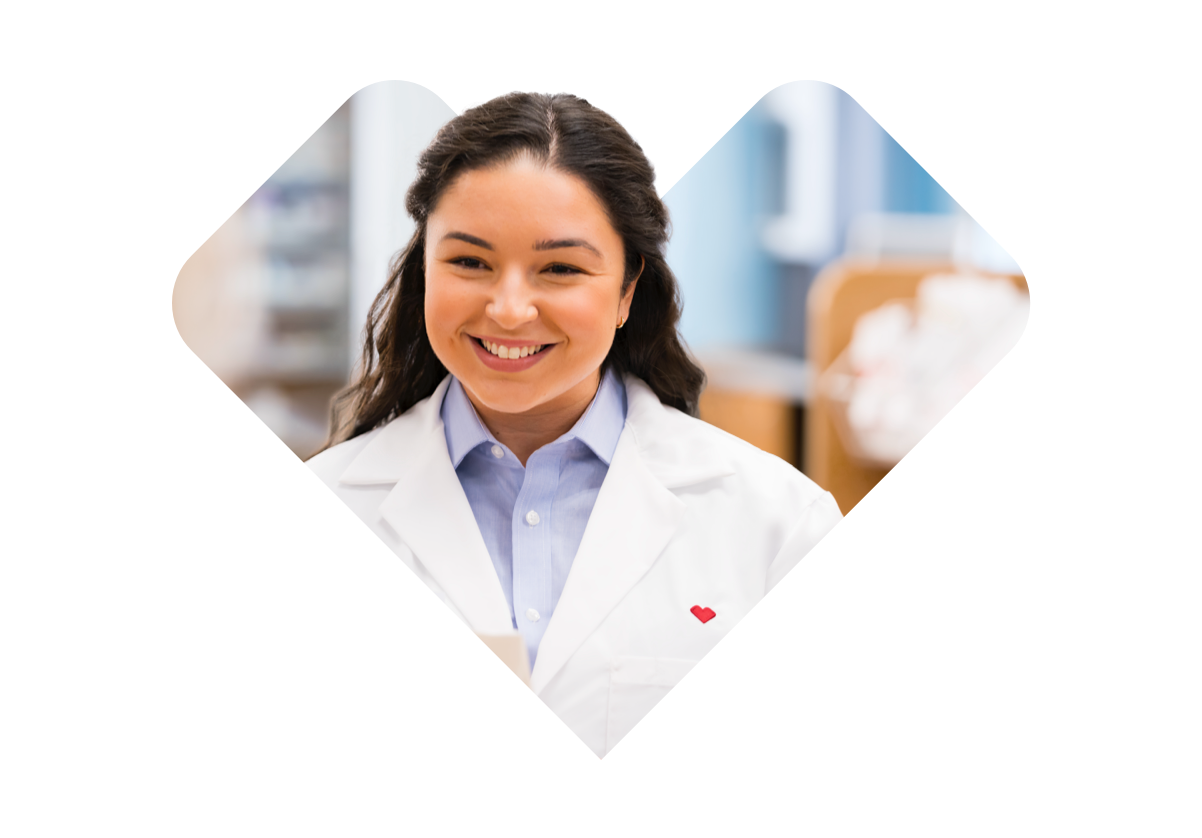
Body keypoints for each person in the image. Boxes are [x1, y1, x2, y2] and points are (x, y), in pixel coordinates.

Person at [305, 91, 843, 758]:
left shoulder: (778, 523)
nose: (507, 309)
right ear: (424, 270)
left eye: (559, 268)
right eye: (469, 261)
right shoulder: (309, 514)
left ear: (625, 290)